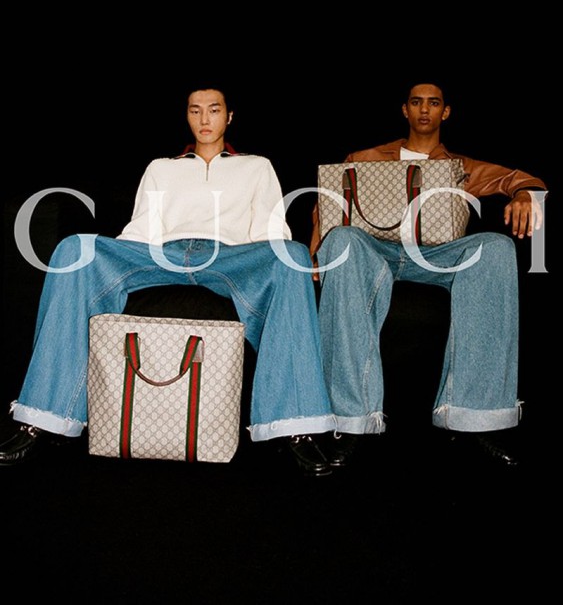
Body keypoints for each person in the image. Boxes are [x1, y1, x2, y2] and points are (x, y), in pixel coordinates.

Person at [0, 86, 337, 476]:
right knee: (76, 249)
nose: (204, 119)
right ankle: (43, 417)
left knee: (292, 254)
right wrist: (113, 258)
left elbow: (269, 231)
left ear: (229, 116)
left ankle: (294, 426)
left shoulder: (257, 166)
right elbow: (141, 230)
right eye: (195, 110)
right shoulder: (161, 168)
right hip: (163, 255)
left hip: (229, 256)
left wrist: (276, 258)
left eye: (214, 110)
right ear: (187, 116)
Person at [310, 81, 547, 468]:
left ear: (445, 111)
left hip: (436, 254)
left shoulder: (459, 166)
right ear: (405, 109)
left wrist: (524, 194)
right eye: (417, 102)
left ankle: (474, 417)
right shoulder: (365, 157)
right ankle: (350, 421)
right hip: (374, 251)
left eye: (433, 103)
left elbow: (518, 178)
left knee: (495, 247)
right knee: (341, 240)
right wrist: (316, 252)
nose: (424, 109)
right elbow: (328, 204)